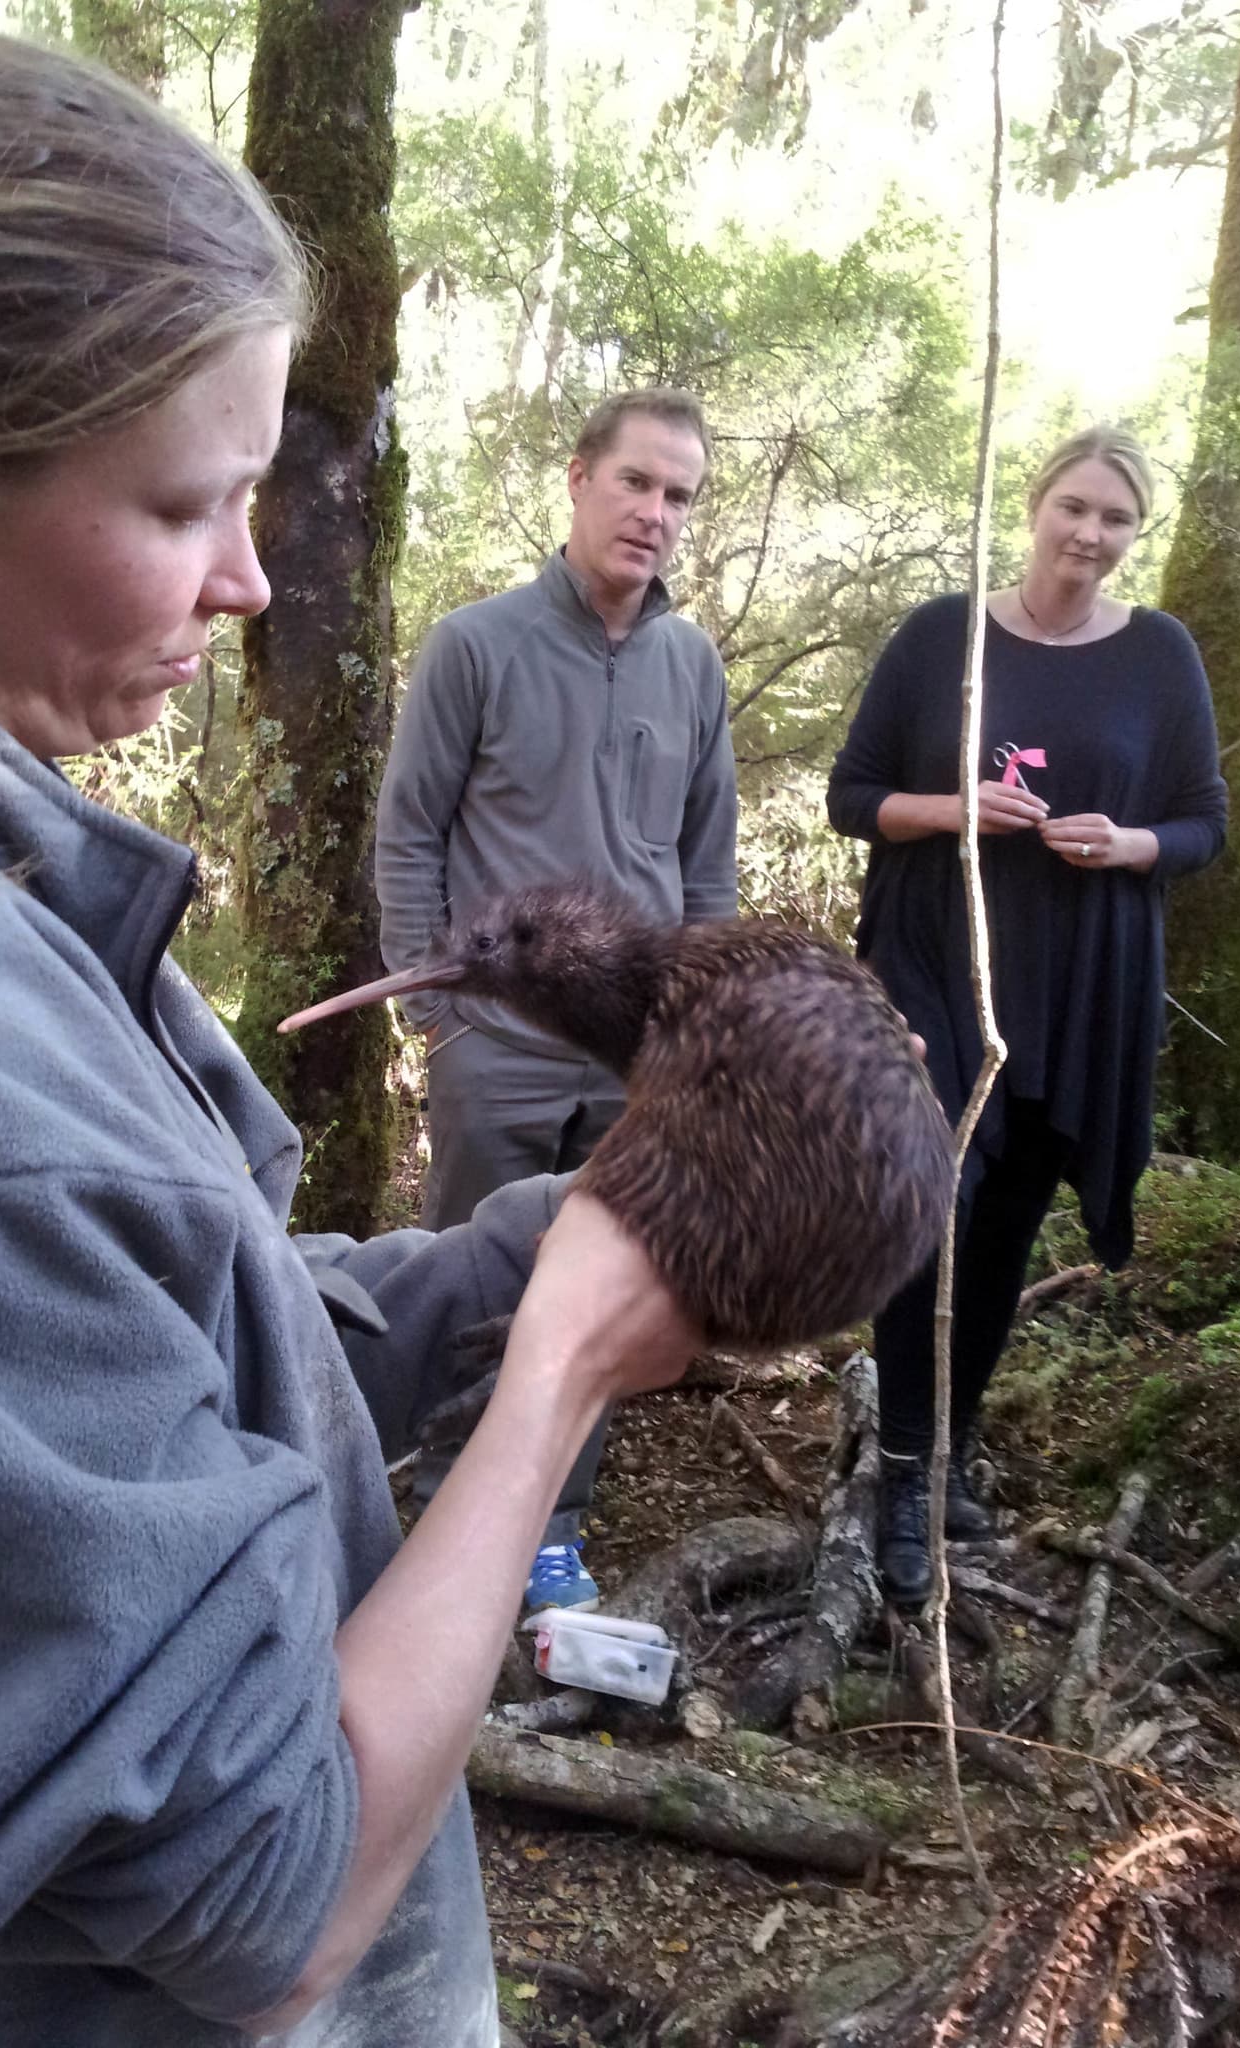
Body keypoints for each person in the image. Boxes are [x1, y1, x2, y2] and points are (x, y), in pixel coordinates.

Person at [0, 22, 702, 2048]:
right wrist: (561, 1369)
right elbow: (270, 1890)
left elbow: (131, 1355)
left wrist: (490, 1273)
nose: (252, 581)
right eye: (188, 503)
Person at [826, 426, 1227, 1606]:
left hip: (1084, 975)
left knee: (1005, 1222)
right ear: (1037, 504)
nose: (1090, 535)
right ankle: (904, 1471)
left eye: (1116, 518)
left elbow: (1205, 821)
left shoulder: (1161, 654)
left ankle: (952, 1446)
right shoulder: (940, 635)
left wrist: (1131, 841)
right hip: (939, 956)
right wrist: (954, 807)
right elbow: (853, 795)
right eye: (1075, 507)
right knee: (933, 1196)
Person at [375, 388, 738, 1612]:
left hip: (637, 1054)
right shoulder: (476, 645)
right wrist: (438, 1009)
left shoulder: (691, 666)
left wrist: (695, 1030)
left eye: (679, 494)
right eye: (636, 481)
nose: (655, 512)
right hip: (499, 1040)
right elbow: (410, 831)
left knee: (601, 1283)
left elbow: (706, 866)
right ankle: (436, 1510)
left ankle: (549, 1529)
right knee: (471, 1278)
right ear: (580, 478)